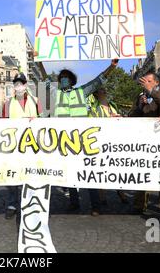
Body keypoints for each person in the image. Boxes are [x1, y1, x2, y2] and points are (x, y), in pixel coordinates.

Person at [54, 59, 119, 216]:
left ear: (71, 80)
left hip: (83, 140)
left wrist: (112, 67)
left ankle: (95, 205)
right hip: (65, 140)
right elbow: (43, 78)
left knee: (88, 173)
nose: (63, 79)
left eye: (66, 77)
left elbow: (99, 80)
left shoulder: (82, 91)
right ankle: (74, 202)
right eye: (61, 77)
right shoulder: (54, 94)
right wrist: (38, 61)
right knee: (69, 174)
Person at [129, 72, 160, 216]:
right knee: (142, 171)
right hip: (145, 141)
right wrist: (139, 106)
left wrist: (151, 92)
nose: (145, 83)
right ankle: (139, 203)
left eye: (148, 81)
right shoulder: (140, 97)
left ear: (156, 82)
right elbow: (132, 116)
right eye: (144, 81)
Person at [2, 72, 43, 219]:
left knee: (32, 174)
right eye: (16, 84)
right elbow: (3, 124)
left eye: (21, 83)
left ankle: (32, 203)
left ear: (26, 85)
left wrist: (36, 120)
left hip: (33, 146)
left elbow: (44, 121)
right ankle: (12, 204)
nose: (18, 86)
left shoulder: (36, 101)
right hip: (14, 145)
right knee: (13, 175)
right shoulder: (7, 103)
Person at [89, 87, 128, 205]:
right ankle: (102, 196)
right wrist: (108, 119)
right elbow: (92, 124)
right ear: (96, 93)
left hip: (114, 141)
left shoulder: (113, 105)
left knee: (115, 168)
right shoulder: (94, 108)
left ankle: (120, 192)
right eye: (102, 90)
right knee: (102, 169)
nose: (105, 91)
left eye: (105, 90)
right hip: (101, 142)